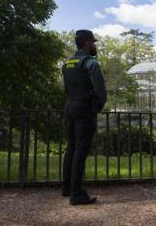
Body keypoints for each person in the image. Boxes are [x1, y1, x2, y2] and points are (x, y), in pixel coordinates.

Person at [61, 29, 107, 205]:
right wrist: (97, 107)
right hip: (84, 109)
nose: (94, 45)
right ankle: (77, 194)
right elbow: (101, 91)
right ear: (87, 43)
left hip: (70, 106)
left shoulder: (67, 64)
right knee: (81, 150)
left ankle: (67, 188)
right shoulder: (90, 63)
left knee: (71, 147)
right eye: (93, 42)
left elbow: (66, 89)